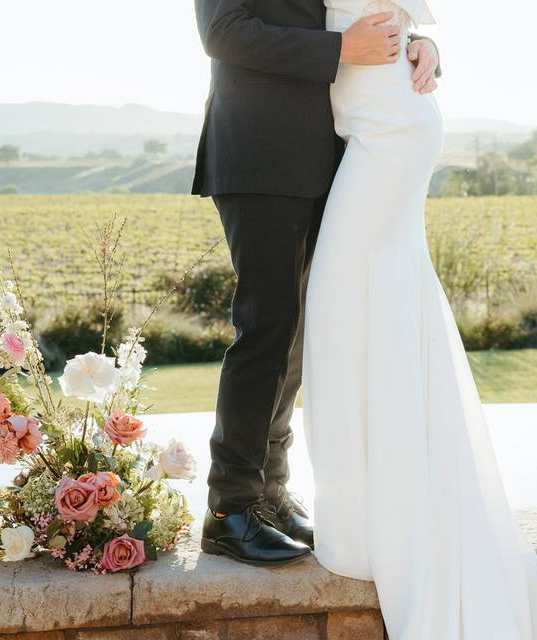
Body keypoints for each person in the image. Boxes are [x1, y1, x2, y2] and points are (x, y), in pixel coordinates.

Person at [301, 1, 537, 637]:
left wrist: (420, 42)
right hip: (382, 124)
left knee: (349, 314)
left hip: (388, 132)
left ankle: (383, 515)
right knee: (367, 312)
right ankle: (375, 506)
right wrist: (419, 41)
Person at [192, 0, 440, 567]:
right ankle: (228, 509)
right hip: (260, 151)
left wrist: (419, 46)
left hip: (325, 155)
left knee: (300, 329)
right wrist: (339, 51)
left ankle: (269, 493)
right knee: (266, 325)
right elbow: (223, 32)